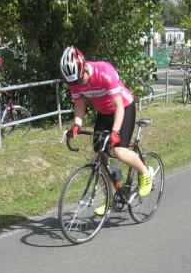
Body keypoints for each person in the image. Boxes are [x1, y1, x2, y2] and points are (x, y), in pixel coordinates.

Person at [60, 46, 154, 211]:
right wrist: (77, 125)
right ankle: (110, 199)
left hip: (123, 107)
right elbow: (79, 104)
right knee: (99, 157)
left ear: (84, 67)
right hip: (103, 113)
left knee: (120, 151)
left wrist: (115, 132)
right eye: (73, 83)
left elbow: (119, 106)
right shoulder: (73, 80)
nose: (78, 84)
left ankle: (145, 173)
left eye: (79, 80)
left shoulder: (104, 72)